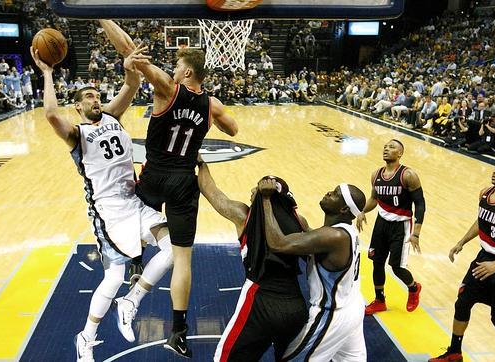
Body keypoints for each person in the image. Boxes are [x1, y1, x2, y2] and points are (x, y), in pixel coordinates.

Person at [100, 19, 239, 357]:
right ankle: (178, 332)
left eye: (178, 66)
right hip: (183, 180)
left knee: (135, 221)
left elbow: (129, 51)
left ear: (187, 73)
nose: (173, 69)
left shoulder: (167, 88)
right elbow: (233, 129)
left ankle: (135, 266)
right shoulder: (212, 104)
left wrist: (103, 15)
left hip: (155, 173)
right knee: (182, 259)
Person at [31, 45, 172, 362]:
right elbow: (52, 115)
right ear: (78, 107)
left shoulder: (112, 115)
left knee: (173, 248)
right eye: (89, 98)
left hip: (133, 203)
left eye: (98, 95)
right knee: (112, 277)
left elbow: (132, 85)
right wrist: (48, 73)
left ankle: (131, 301)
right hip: (107, 213)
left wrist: (128, 67)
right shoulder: (75, 134)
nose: (96, 100)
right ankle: (86, 337)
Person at [429, 158, 495, 362]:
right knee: (462, 303)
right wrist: (462, 241)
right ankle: (454, 352)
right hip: (484, 257)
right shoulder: (485, 193)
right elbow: (482, 220)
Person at [198, 162, 307, 361]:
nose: (251, 191)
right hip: (296, 306)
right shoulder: (300, 222)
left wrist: (200, 163)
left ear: (265, 196)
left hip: (260, 301)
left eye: (256, 189)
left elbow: (211, 192)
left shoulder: (244, 216)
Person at [259, 180, 367, 361]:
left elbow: (277, 244)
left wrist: (266, 199)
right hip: (353, 306)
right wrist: (302, 224)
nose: (328, 192)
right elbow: (315, 239)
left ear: (343, 210)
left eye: (335, 194)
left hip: (333, 314)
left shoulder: (335, 236)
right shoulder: (344, 231)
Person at [357, 139, 425, 315]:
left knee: (397, 267)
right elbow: (374, 199)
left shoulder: (408, 175)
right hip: (381, 223)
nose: (387, 149)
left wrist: (416, 232)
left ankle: (413, 288)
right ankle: (380, 300)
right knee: (377, 262)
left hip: (401, 225)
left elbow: (420, 204)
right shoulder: (376, 174)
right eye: (385, 147)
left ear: (400, 153)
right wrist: (362, 211)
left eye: (392, 147)